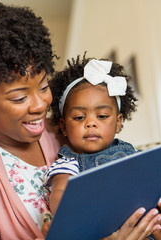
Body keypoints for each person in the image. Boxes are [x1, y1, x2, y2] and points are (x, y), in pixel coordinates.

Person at [0, 2, 161, 240]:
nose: (40, 105)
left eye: (44, 87)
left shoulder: (65, 130)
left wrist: (156, 230)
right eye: (19, 97)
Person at [42, 55, 139, 215]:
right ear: (64, 126)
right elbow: (60, 198)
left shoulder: (131, 153)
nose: (91, 123)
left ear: (118, 122)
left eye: (101, 116)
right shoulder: (68, 165)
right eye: (79, 117)